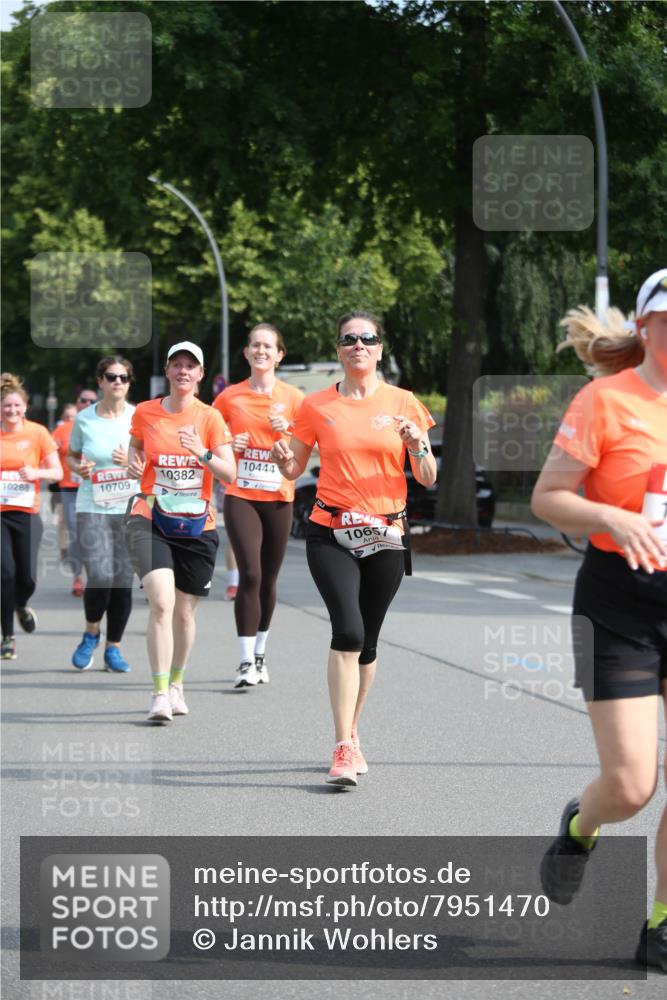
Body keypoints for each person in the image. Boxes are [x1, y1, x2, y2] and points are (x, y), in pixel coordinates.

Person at [531, 269, 667, 973]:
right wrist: (611, 515)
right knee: (632, 784)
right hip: (617, 601)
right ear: (644, 327)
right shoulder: (604, 400)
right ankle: (581, 827)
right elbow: (548, 497)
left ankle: (661, 925)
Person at [271, 312, 436, 786]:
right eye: (349, 339)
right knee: (347, 630)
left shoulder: (404, 402)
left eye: (367, 338)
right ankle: (342, 745)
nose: (358, 345)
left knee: (368, 642)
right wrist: (283, 460)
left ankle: (353, 730)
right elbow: (293, 469)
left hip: (386, 534)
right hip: (331, 531)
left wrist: (417, 445)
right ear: (339, 350)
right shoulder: (316, 405)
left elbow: (427, 477)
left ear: (380, 349)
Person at [126, 341, 236, 723]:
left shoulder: (210, 418)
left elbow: (229, 473)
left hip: (196, 524)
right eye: (177, 365)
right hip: (150, 517)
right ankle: (158, 693)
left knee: (185, 614)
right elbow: (136, 451)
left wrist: (201, 452)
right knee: (161, 603)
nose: (183, 371)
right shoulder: (146, 412)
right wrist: (132, 462)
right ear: (168, 371)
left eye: (191, 366)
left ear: (200, 374)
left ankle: (176, 683)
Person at [213, 323, 304, 688]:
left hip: (279, 497)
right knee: (250, 574)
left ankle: (261, 654)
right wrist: (229, 446)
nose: (261, 351)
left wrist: (290, 429)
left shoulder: (295, 398)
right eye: (255, 345)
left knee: (268, 578)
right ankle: (245, 661)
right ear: (247, 353)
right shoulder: (229, 398)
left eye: (268, 346)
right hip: (242, 494)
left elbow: (311, 448)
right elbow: (211, 440)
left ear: (279, 355)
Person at [67, 356, 137, 673]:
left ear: (129, 382)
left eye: (123, 377)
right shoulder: (85, 419)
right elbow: (71, 456)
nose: (117, 382)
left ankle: (114, 648)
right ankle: (91, 632)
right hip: (91, 505)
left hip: (128, 507)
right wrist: (78, 468)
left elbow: (151, 460)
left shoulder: (139, 417)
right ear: (100, 381)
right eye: (111, 377)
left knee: (122, 580)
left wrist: (132, 462)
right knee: (100, 574)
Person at [1, 373, 62, 660]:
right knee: (5, 574)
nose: (12, 411)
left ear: (25, 407)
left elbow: (57, 472)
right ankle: (8, 637)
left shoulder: (37, 433)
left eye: (16, 406)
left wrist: (36, 472)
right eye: (6, 406)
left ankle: (21, 605)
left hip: (27, 512)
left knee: (27, 578)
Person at [52, 402, 83, 596]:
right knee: (75, 531)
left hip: (95, 488)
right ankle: (77, 577)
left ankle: (99, 576)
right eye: (68, 416)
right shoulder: (61, 431)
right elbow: (48, 455)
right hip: (69, 488)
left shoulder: (94, 426)